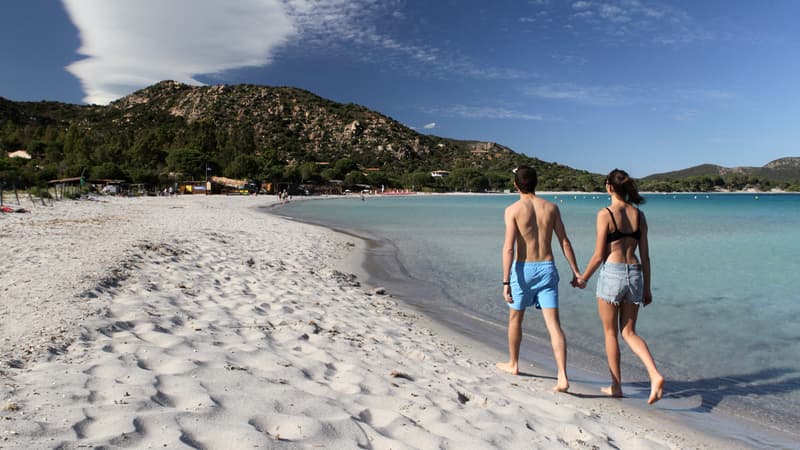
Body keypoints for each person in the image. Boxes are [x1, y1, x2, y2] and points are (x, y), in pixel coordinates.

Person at [575, 168, 664, 404]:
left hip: (613, 273)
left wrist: (583, 278)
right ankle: (654, 374)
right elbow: (646, 256)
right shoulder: (639, 215)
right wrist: (647, 288)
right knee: (629, 332)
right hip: (635, 273)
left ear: (609, 187)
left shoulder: (605, 214)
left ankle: (616, 386)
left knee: (611, 333)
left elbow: (597, 255)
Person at [496, 166, 582, 393]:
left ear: (516, 185)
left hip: (524, 269)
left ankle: (513, 363)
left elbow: (508, 249)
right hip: (547, 268)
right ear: (536, 183)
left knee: (515, 318)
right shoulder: (551, 208)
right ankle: (562, 376)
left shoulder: (513, 210)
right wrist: (576, 271)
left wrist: (506, 281)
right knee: (554, 325)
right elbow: (565, 241)